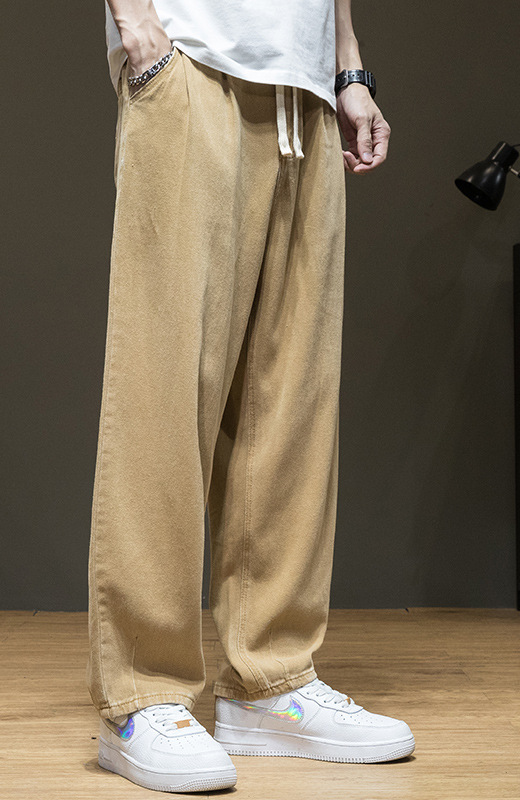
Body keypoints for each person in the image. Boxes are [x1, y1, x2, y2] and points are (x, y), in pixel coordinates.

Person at [87, 0, 413, 792]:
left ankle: (272, 682)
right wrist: (135, 22)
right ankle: (142, 695)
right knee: (165, 394)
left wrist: (348, 66)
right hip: (190, 61)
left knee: (291, 402)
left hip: (306, 89)